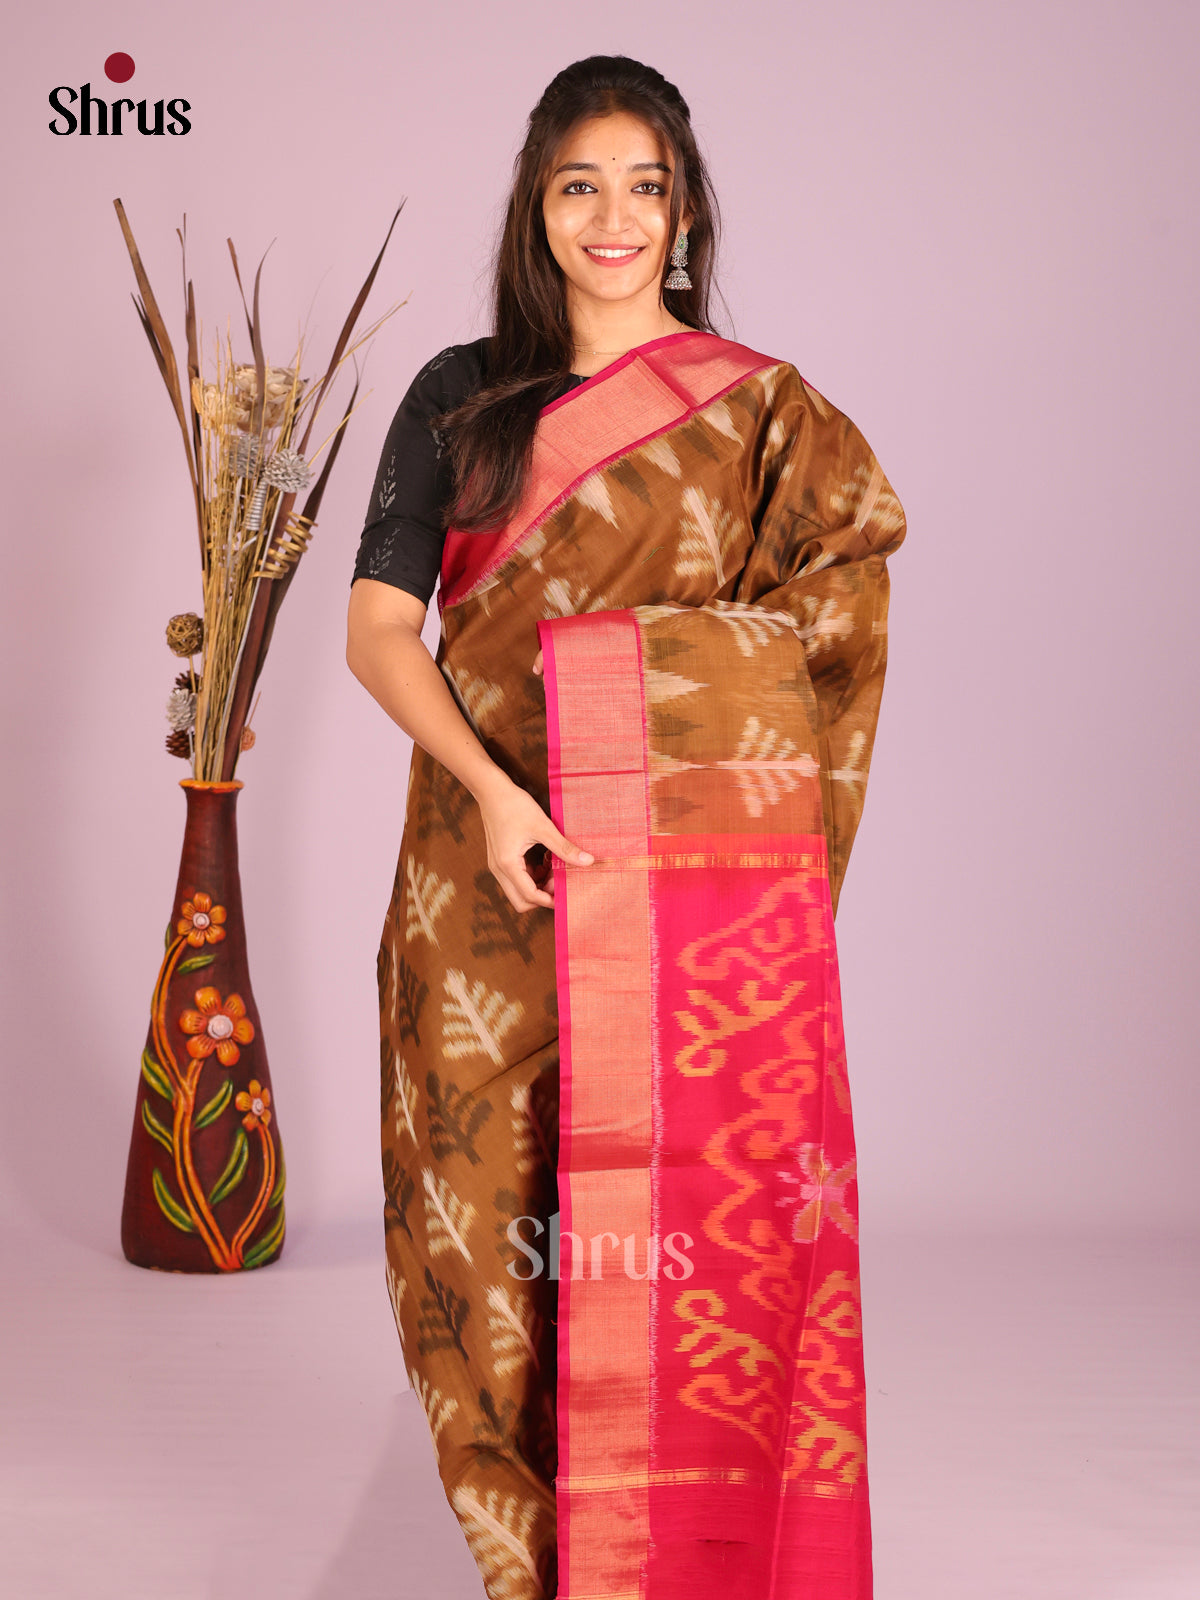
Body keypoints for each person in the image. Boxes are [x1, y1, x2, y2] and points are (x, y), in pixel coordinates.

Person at [346, 54, 906, 1600]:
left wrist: (638, 696)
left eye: (644, 186)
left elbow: (839, 607)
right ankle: (530, 1566)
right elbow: (381, 632)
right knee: (478, 1234)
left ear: (684, 209)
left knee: (662, 1232)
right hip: (476, 882)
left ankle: (663, 1556)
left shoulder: (758, 413)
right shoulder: (462, 393)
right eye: (578, 184)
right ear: (537, 206)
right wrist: (497, 792)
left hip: (672, 913)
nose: (613, 217)